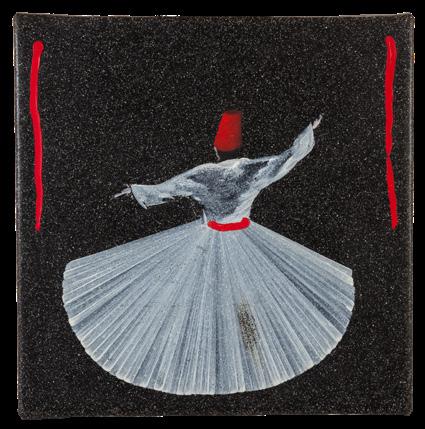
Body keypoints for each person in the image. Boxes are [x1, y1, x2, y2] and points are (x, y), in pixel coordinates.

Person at [63, 111, 354, 395]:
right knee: (243, 301)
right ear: (240, 147)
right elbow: (289, 157)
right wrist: (309, 130)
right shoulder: (253, 169)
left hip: (209, 241)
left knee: (201, 299)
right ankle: (253, 357)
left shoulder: (203, 173)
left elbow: (166, 189)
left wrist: (134, 190)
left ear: (215, 149)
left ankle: (198, 358)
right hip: (243, 243)